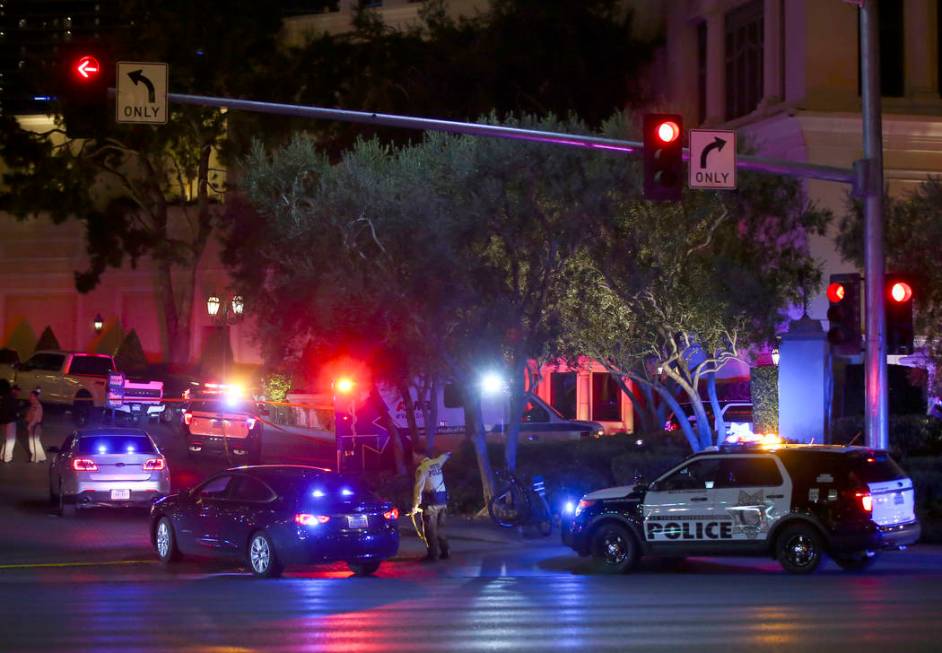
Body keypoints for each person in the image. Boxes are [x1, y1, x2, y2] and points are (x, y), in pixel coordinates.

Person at [412, 446, 451, 562]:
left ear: (420, 455)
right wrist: (449, 453)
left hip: (431, 504)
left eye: (414, 455)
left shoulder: (422, 469)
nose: (413, 458)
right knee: (440, 529)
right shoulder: (436, 462)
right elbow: (445, 456)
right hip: (443, 501)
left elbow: (418, 489)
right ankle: (446, 551)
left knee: (429, 531)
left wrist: (415, 506)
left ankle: (433, 555)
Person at [26, 389, 45, 463]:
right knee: (36, 442)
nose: (30, 397)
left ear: (35, 397)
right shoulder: (33, 405)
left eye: (31, 396)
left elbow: (36, 418)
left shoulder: (37, 406)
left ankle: (35, 459)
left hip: (35, 426)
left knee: (33, 442)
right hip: (33, 426)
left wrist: (30, 425)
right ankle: (41, 457)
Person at [0, 380, 17, 463]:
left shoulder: (3, 398)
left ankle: (2, 455)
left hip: (3, 421)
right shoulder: (11, 397)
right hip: (10, 421)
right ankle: (7, 457)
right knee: (10, 440)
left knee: (5, 439)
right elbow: (13, 410)